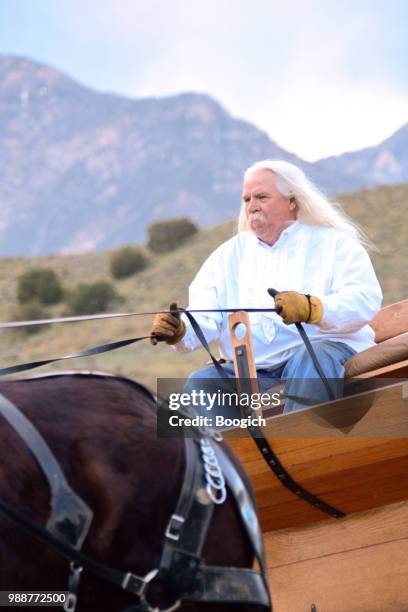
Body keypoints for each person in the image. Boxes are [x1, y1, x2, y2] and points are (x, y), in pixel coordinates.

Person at [150, 160, 382, 416]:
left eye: (261, 197)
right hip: (255, 368)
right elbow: (206, 316)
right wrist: (181, 329)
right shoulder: (228, 256)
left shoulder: (334, 244)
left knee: (310, 360)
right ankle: (235, 456)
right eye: (247, 199)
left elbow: (364, 300)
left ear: (292, 201)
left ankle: (301, 452)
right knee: (202, 383)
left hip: (326, 352)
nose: (251, 206)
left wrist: (312, 308)